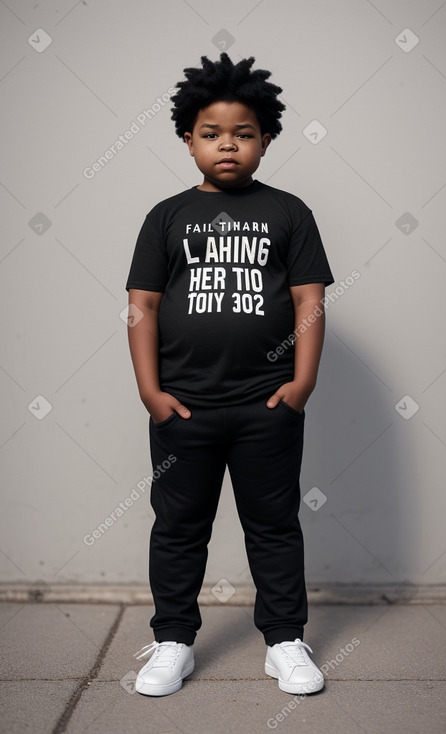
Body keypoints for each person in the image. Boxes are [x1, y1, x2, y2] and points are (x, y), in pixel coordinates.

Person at [125, 52, 334, 697]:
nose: (227, 145)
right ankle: (173, 642)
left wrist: (299, 389)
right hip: (182, 408)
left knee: (273, 525)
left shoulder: (289, 212)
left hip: (264, 407)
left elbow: (309, 301)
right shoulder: (165, 217)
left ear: (265, 139)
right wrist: (151, 393)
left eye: (243, 134)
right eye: (211, 133)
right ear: (187, 140)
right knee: (178, 526)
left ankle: (284, 641)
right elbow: (143, 306)